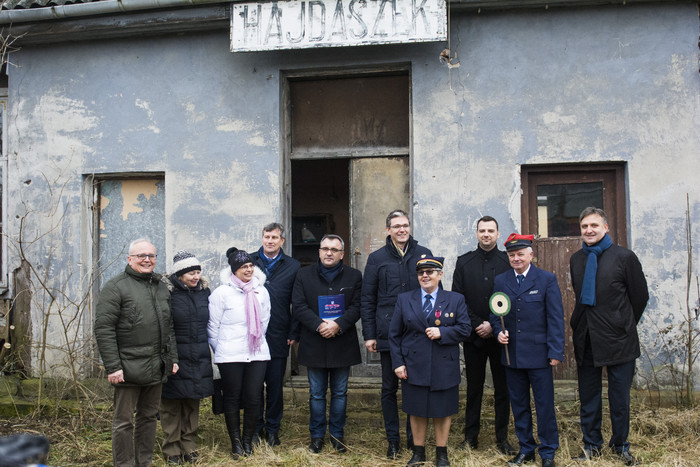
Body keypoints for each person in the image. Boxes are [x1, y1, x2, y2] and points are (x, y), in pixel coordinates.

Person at [569, 207, 648, 466]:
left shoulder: (625, 257)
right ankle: (591, 444)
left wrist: (622, 323)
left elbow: (639, 297)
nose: (589, 230)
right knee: (589, 396)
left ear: (606, 228)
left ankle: (620, 445)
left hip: (619, 339)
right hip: (588, 338)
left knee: (619, 397)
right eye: (584, 227)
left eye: (594, 225)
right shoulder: (577, 259)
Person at [95, 238, 179, 467]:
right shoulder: (116, 287)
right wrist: (113, 366)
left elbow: (168, 325)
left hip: (156, 366)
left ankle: (144, 462)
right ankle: (124, 464)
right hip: (127, 368)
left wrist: (171, 359)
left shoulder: (160, 286)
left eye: (151, 256)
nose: (146, 260)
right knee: (123, 422)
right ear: (129, 259)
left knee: (149, 418)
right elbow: (104, 328)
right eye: (141, 256)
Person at [360, 209, 433, 458]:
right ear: (387, 230)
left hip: (418, 334)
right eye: (396, 226)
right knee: (389, 388)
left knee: (414, 387)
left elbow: (436, 293)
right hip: (389, 333)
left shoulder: (424, 254)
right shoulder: (376, 259)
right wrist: (369, 334)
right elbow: (368, 298)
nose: (402, 229)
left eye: (405, 225)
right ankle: (393, 440)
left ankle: (415, 439)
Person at [389, 255, 471, 467]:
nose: (425, 276)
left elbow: (465, 329)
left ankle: (441, 453)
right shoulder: (404, 299)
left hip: (443, 364)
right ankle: (419, 452)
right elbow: (394, 335)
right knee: (416, 410)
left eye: (430, 272)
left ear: (440, 275)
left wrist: (442, 332)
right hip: (413, 364)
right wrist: (398, 363)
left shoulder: (455, 299)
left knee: (442, 410)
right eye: (421, 273)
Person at [491, 234, 565, 467]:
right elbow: (495, 314)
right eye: (512, 255)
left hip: (539, 355)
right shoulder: (501, 281)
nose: (516, 258)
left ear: (531, 255)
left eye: (520, 254)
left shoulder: (546, 280)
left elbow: (555, 318)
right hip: (512, 355)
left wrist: (555, 351)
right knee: (519, 405)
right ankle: (526, 448)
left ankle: (548, 451)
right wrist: (497, 332)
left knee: (544, 405)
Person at [291, 234, 363, 454]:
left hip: (342, 342)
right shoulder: (303, 275)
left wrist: (338, 324)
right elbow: (299, 305)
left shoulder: (354, 276)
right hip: (314, 341)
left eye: (334, 249)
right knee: (316, 394)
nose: (329, 253)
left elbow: (358, 306)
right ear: (319, 251)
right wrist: (320, 324)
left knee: (340, 393)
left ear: (342, 254)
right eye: (325, 248)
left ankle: (337, 436)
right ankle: (316, 437)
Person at [452, 216, 515, 454]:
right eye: (482, 230)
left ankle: (502, 439)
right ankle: (471, 438)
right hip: (473, 337)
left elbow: (513, 299)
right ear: (476, 234)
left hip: (501, 338)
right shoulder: (464, 262)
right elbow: (458, 298)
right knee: (474, 389)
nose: (486, 234)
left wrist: (493, 325)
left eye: (490, 230)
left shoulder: (508, 261)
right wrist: (478, 324)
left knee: (503, 389)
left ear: (498, 234)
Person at [208, 248, 271, 458]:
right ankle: (235, 442)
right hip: (230, 355)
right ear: (234, 270)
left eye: (251, 265)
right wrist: (222, 351)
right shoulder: (221, 293)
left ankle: (247, 441)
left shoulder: (261, 291)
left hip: (257, 353)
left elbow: (264, 321)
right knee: (232, 398)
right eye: (244, 266)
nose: (249, 269)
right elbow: (212, 327)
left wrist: (255, 342)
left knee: (254, 398)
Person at [160, 250, 214, 465]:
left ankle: (189, 445)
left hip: (198, 355)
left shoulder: (204, 292)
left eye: (198, 272)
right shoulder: (166, 293)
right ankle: (172, 448)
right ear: (179, 274)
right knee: (171, 403)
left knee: (192, 402)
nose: (195, 276)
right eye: (191, 272)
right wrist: (168, 356)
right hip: (174, 354)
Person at [250, 223, 301, 447]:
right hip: (251, 334)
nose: (270, 241)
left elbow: (298, 302)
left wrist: (293, 331)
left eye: (274, 237)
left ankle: (272, 429)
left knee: (274, 384)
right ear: (262, 238)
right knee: (253, 385)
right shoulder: (248, 261)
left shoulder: (293, 265)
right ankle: (254, 427)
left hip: (279, 332)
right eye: (266, 236)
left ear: (282, 241)